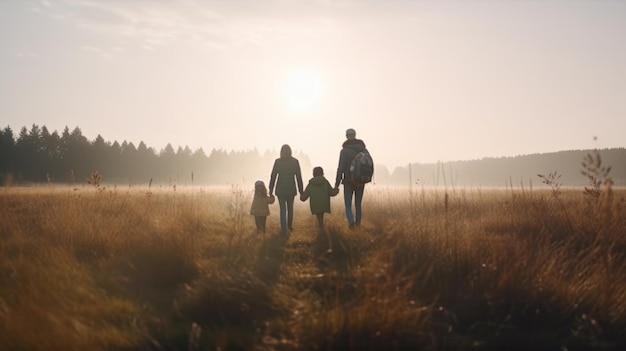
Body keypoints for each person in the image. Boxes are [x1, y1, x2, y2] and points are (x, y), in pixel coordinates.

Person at [334, 128, 368, 228]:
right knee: (358, 204)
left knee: (348, 205)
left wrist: (337, 184)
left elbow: (340, 168)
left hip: (348, 181)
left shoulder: (344, 151)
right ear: (355, 135)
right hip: (361, 180)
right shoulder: (363, 149)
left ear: (346, 136)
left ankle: (351, 223)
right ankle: (358, 224)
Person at [269, 144, 304, 237]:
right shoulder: (295, 162)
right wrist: (301, 191)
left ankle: (284, 230)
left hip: (280, 189)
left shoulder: (277, 162)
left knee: (283, 210)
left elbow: (273, 177)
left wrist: (270, 190)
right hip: (291, 188)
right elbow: (299, 177)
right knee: (290, 209)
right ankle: (289, 226)